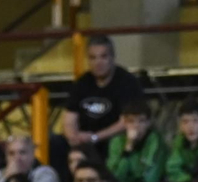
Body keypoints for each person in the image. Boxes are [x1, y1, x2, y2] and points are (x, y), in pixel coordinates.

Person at [55, 34, 148, 171]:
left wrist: (95, 137)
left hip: (113, 139)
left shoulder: (127, 82)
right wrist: (73, 137)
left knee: (116, 143)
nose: (98, 62)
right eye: (93, 58)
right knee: (55, 143)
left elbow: (127, 121)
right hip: (85, 140)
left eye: (103, 57)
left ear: (112, 58)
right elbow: (69, 118)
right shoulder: (82, 82)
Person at [104, 100, 167, 182]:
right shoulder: (117, 142)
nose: (136, 126)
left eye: (141, 121)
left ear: (148, 123)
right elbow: (115, 174)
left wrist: (128, 170)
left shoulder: (155, 140)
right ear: (124, 123)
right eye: (131, 121)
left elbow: (148, 176)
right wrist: (128, 146)